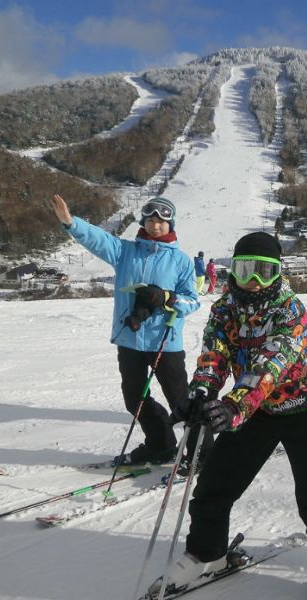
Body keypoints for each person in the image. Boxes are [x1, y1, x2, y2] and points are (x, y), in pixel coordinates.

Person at [151, 232, 307, 600]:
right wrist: (201, 393)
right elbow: (214, 353)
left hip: (306, 406)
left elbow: (270, 366)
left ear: (277, 272)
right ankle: (206, 553)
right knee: (216, 483)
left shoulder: (290, 309)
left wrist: (233, 405)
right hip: (255, 410)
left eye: (264, 271)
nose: (254, 280)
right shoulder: (224, 307)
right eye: (246, 269)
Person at [50, 194, 207, 466]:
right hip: (130, 340)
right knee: (135, 399)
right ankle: (161, 446)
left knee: (180, 402)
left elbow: (193, 301)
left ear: (171, 225)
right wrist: (70, 222)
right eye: (150, 220)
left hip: (164, 342)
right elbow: (99, 240)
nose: (156, 226)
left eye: (161, 221)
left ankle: (200, 453)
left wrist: (168, 298)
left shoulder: (181, 261)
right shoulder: (125, 251)